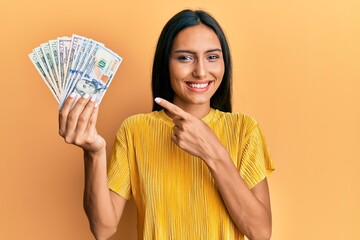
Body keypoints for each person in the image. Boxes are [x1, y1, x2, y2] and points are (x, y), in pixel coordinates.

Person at [59, 9, 274, 240]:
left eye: (212, 57)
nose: (201, 72)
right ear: (166, 64)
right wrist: (94, 153)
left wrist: (213, 151)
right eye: (185, 57)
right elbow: (103, 228)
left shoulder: (244, 129)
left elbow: (260, 233)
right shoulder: (135, 130)